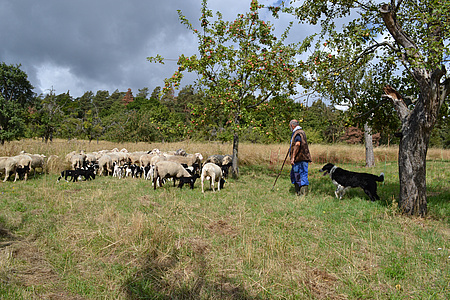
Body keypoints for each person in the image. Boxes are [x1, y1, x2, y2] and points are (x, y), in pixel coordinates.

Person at [289, 119, 312, 196]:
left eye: (290, 126)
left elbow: (297, 144)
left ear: (292, 125)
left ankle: (303, 194)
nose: (290, 127)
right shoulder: (299, 132)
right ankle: (298, 192)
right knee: (295, 175)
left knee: (301, 176)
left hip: (300, 158)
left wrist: (293, 157)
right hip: (300, 158)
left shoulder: (298, 133)